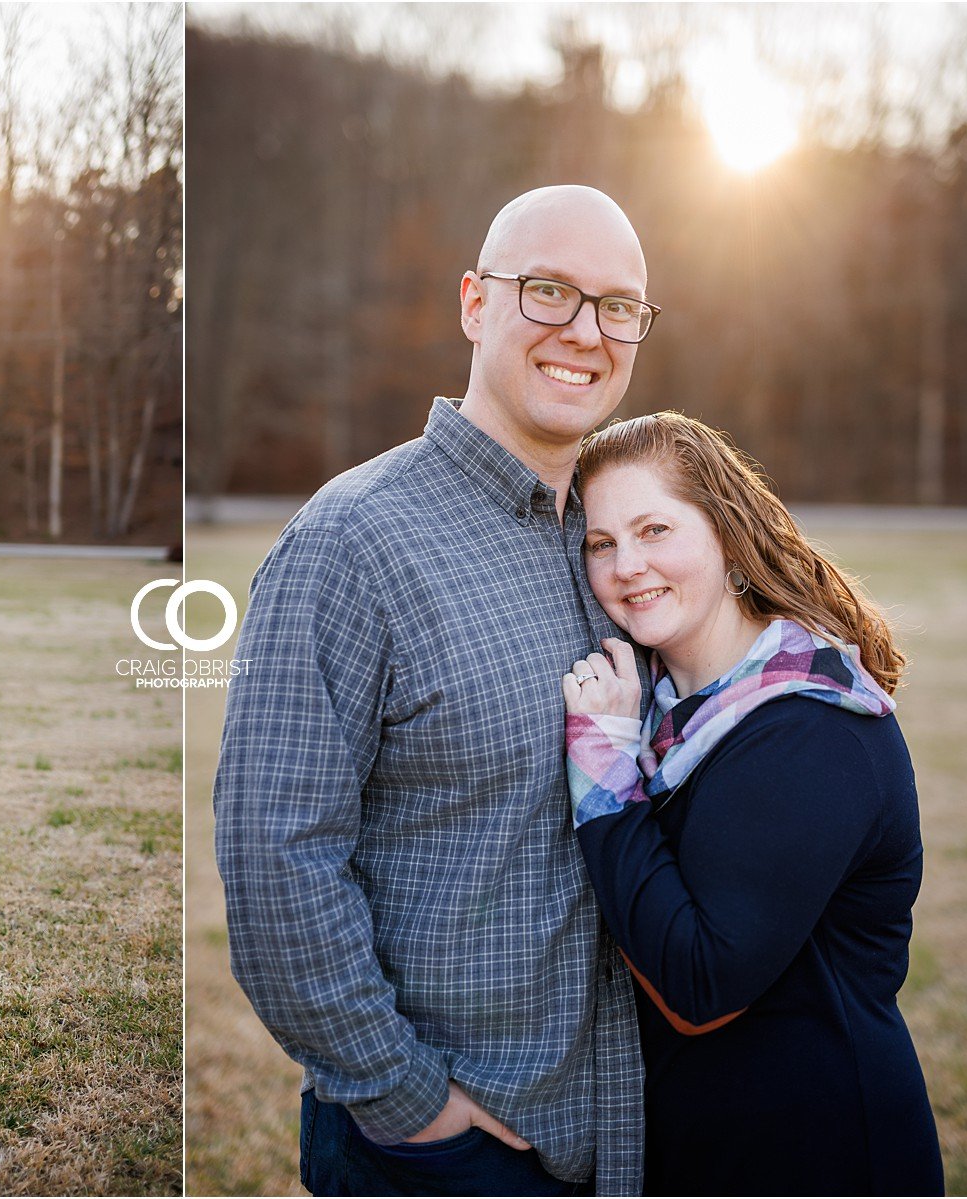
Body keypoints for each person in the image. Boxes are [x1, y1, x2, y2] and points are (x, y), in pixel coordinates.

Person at [215, 185, 660, 1196]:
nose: (584, 332)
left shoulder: (623, 540)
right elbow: (275, 855)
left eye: (618, 305)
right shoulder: (351, 541)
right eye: (548, 292)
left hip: (621, 1136)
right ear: (473, 303)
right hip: (440, 1153)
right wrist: (411, 1107)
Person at [561, 412, 944, 1196]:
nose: (628, 565)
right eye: (603, 543)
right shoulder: (670, 710)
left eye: (655, 528)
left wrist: (604, 777)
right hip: (701, 1145)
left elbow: (701, 986)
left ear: (727, 534)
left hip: (819, 1149)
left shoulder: (810, 725)